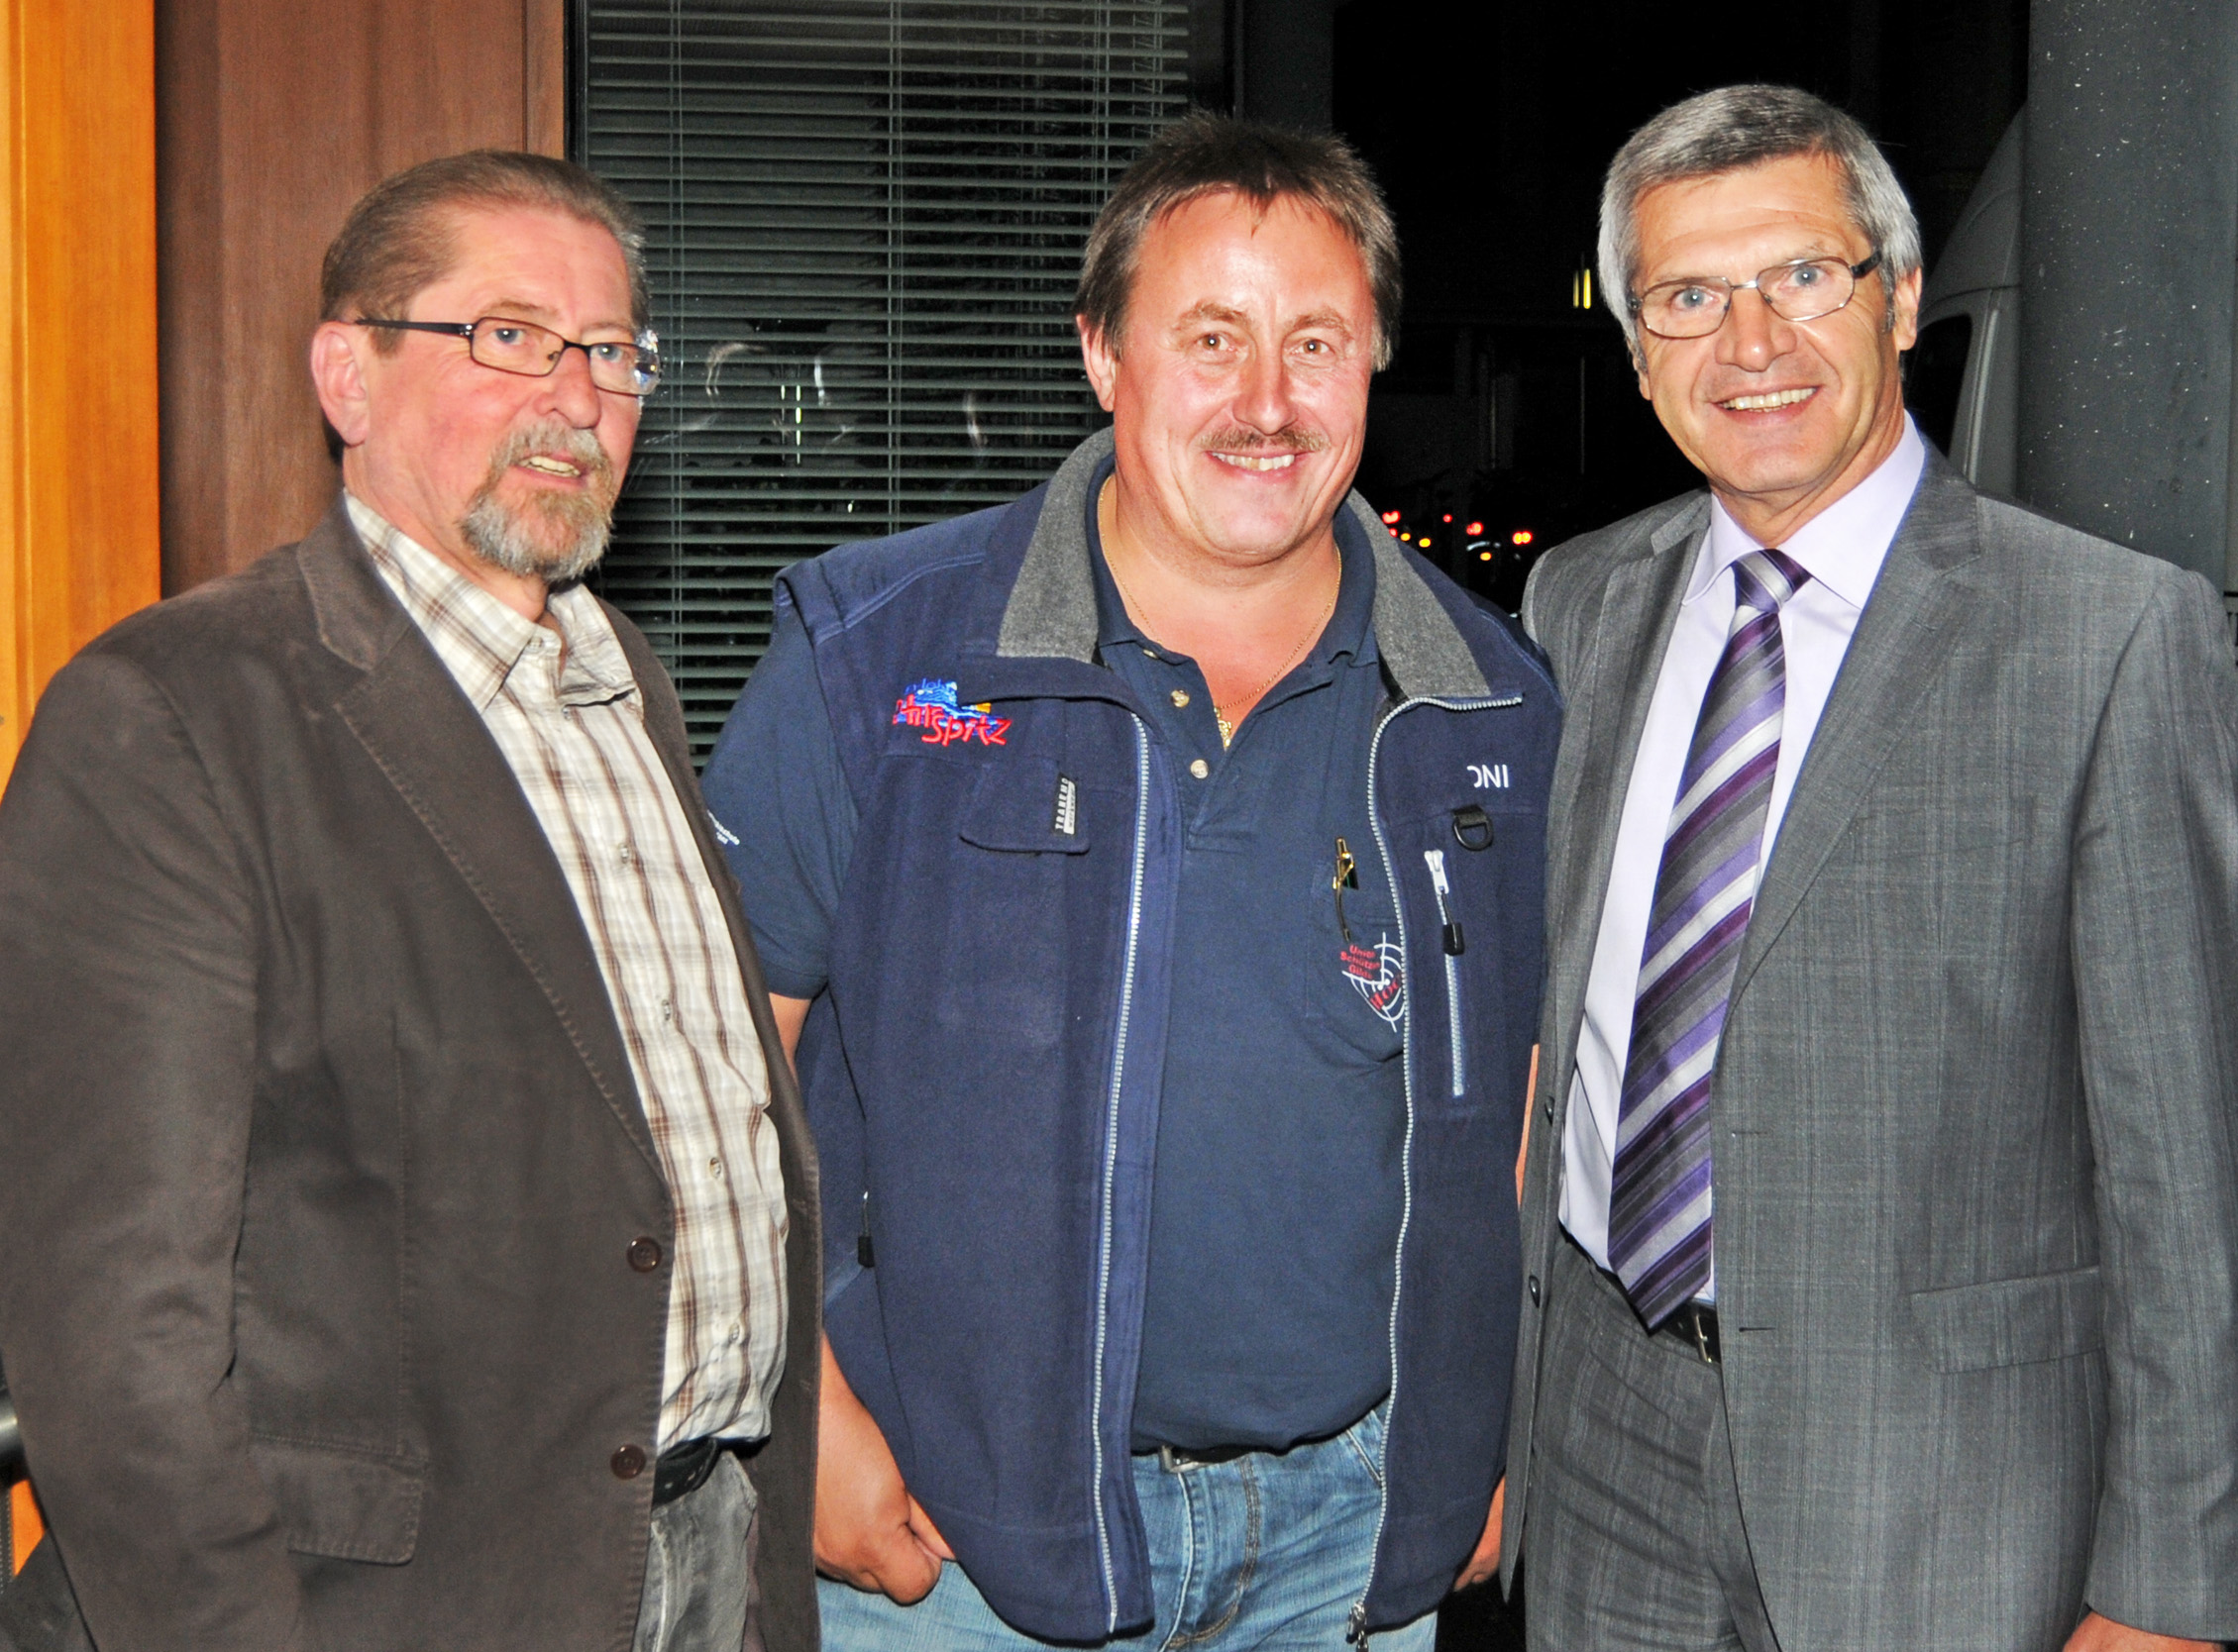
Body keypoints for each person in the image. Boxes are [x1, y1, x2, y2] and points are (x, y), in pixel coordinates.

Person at [701, 114, 1558, 1650]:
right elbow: (711, 1062)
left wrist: (1482, 1432)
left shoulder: (1487, 706)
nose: (1267, 403)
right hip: (955, 1542)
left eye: (1316, 343)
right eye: (1210, 338)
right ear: (1102, 354)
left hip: (1349, 1545)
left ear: (1374, 362)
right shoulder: (882, 655)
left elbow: (1523, 1104)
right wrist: (798, 1410)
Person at [1500, 85, 2238, 1652]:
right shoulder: (1579, 603)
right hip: (1601, 1444)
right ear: (1640, 350)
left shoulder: (2108, 638)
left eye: (1803, 275)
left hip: (1939, 1486)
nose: (1751, 342)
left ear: (1904, 296)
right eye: (1688, 297)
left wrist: (2169, 1594)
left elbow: (2196, 1174)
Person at [0, 152, 819, 1652]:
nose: (576, 397)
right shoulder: (175, 713)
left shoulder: (621, 679)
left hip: (707, 1555)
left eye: (612, 351)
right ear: (348, 376)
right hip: (377, 1606)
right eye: (509, 336)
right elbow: (113, 1332)